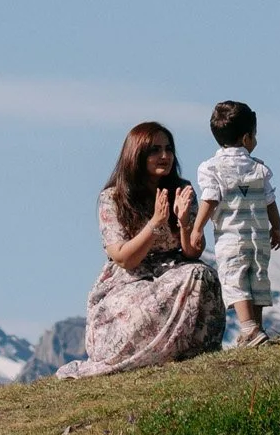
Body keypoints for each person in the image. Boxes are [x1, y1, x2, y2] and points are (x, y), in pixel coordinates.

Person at [62, 121, 226, 377]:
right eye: (155, 150)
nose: (165, 156)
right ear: (136, 155)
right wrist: (155, 223)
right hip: (130, 280)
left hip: (175, 271)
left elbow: (192, 252)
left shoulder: (182, 190)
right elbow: (125, 259)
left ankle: (187, 351)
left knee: (200, 274)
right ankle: (147, 352)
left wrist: (184, 224)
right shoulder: (113, 198)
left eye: (168, 149)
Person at [193, 99, 280, 347]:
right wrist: (276, 228)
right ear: (246, 139)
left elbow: (210, 199)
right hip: (258, 237)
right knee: (256, 281)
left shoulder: (211, 168)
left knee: (236, 281)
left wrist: (197, 227)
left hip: (231, 238)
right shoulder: (260, 169)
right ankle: (257, 328)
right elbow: (270, 202)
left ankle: (249, 329)